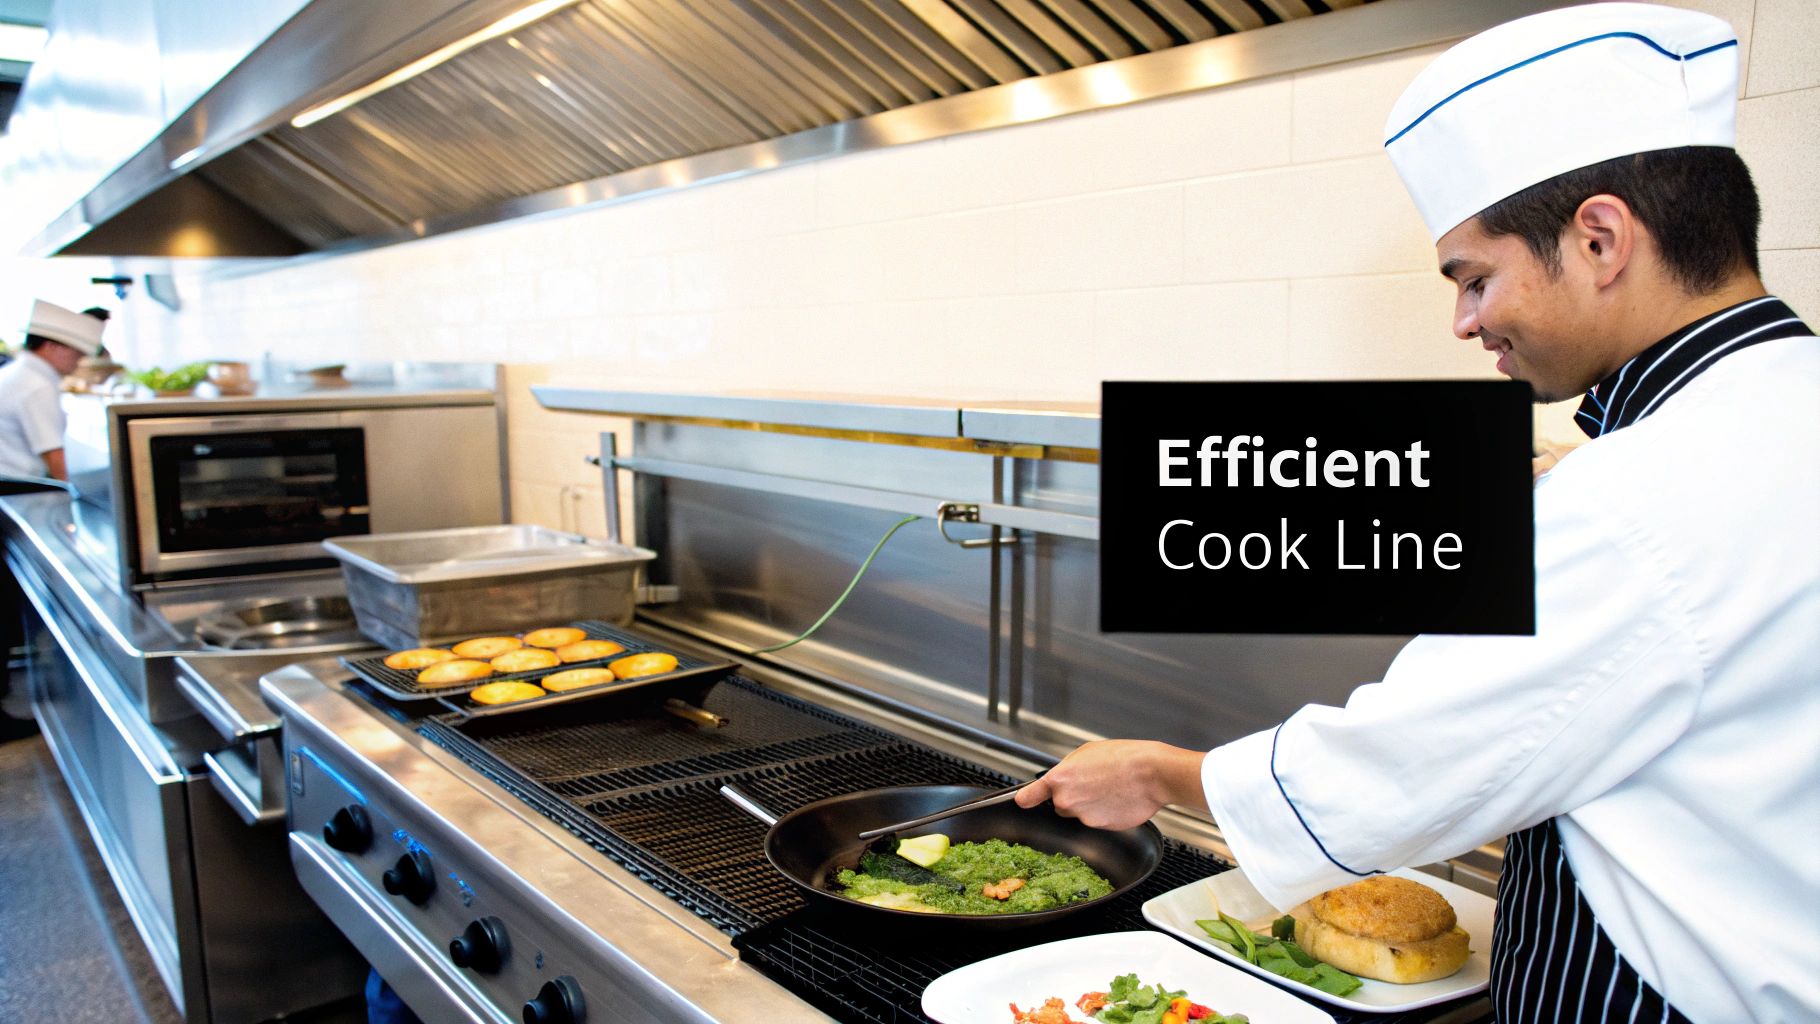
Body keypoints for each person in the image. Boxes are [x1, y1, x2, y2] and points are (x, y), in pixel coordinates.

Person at [1017, 5, 1818, 1022]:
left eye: (1476, 277)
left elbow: (1404, 766)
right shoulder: (1769, 414)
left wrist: (1159, 772)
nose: (1465, 321)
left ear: (1601, 238)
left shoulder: (1642, 490)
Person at [0, 300, 106, 482]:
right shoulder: (36, 386)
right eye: (77, 353)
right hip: (19, 487)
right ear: (51, 346)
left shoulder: (19, 373)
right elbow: (56, 461)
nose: (79, 361)